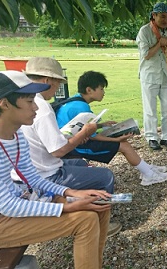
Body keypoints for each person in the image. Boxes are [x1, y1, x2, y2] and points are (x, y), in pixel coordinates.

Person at [0, 70, 112, 269]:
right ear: (4, 103)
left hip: (18, 205)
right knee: (85, 220)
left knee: (98, 205)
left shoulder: (16, 135)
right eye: (29, 101)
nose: (36, 107)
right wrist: (68, 206)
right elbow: (6, 206)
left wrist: (72, 192)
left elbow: (32, 178)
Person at [20, 57, 121, 236]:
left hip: (34, 168)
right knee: (105, 176)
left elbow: (49, 141)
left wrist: (73, 136)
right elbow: (58, 151)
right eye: (58, 81)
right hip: (45, 176)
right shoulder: (41, 108)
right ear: (47, 81)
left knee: (81, 164)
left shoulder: (26, 102)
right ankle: (99, 222)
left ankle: (83, 208)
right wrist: (84, 133)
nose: (58, 86)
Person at [55, 71, 167, 186]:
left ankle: (147, 168)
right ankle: (148, 175)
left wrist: (102, 125)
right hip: (76, 146)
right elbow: (93, 136)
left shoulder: (75, 101)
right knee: (123, 145)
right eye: (101, 89)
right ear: (89, 90)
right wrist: (116, 140)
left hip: (68, 141)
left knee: (121, 142)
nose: (103, 93)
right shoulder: (82, 108)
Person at [136, 2, 167, 151]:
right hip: (150, 75)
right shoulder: (144, 31)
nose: (165, 20)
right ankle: (152, 137)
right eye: (162, 16)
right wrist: (160, 43)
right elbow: (146, 55)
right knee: (150, 109)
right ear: (154, 16)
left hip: (166, 74)